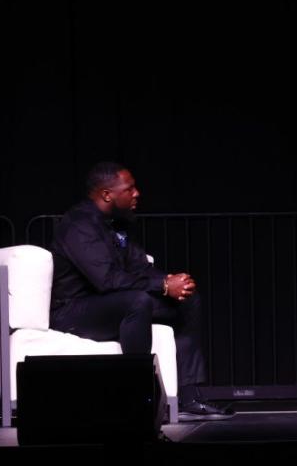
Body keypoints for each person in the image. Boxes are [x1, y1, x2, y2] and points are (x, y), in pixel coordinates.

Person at [50, 161, 232, 419]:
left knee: (187, 301)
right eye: (130, 188)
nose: (137, 194)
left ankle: (189, 398)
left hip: (109, 304)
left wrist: (171, 281)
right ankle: (139, 399)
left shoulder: (115, 225)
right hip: (72, 312)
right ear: (106, 194)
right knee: (136, 302)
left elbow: (139, 267)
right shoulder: (79, 225)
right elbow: (106, 280)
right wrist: (163, 285)